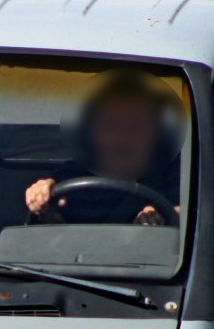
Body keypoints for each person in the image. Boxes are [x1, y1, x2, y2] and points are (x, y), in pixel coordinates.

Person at [24, 73, 181, 225]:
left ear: (157, 133)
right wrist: (41, 197)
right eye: (109, 125)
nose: (122, 136)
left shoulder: (177, 176)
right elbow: (45, 226)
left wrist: (164, 213)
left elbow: (197, 211)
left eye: (137, 125)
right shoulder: (69, 176)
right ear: (92, 133)